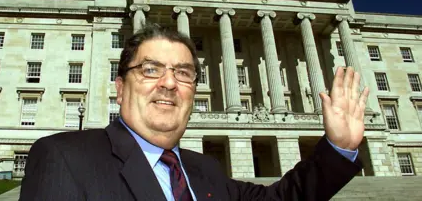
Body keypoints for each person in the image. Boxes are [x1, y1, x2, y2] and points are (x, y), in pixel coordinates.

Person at [19, 24, 369, 201]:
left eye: (183, 73)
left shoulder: (203, 169)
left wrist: (338, 146)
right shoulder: (64, 156)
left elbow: (282, 198)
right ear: (121, 87)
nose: (169, 84)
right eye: (151, 69)